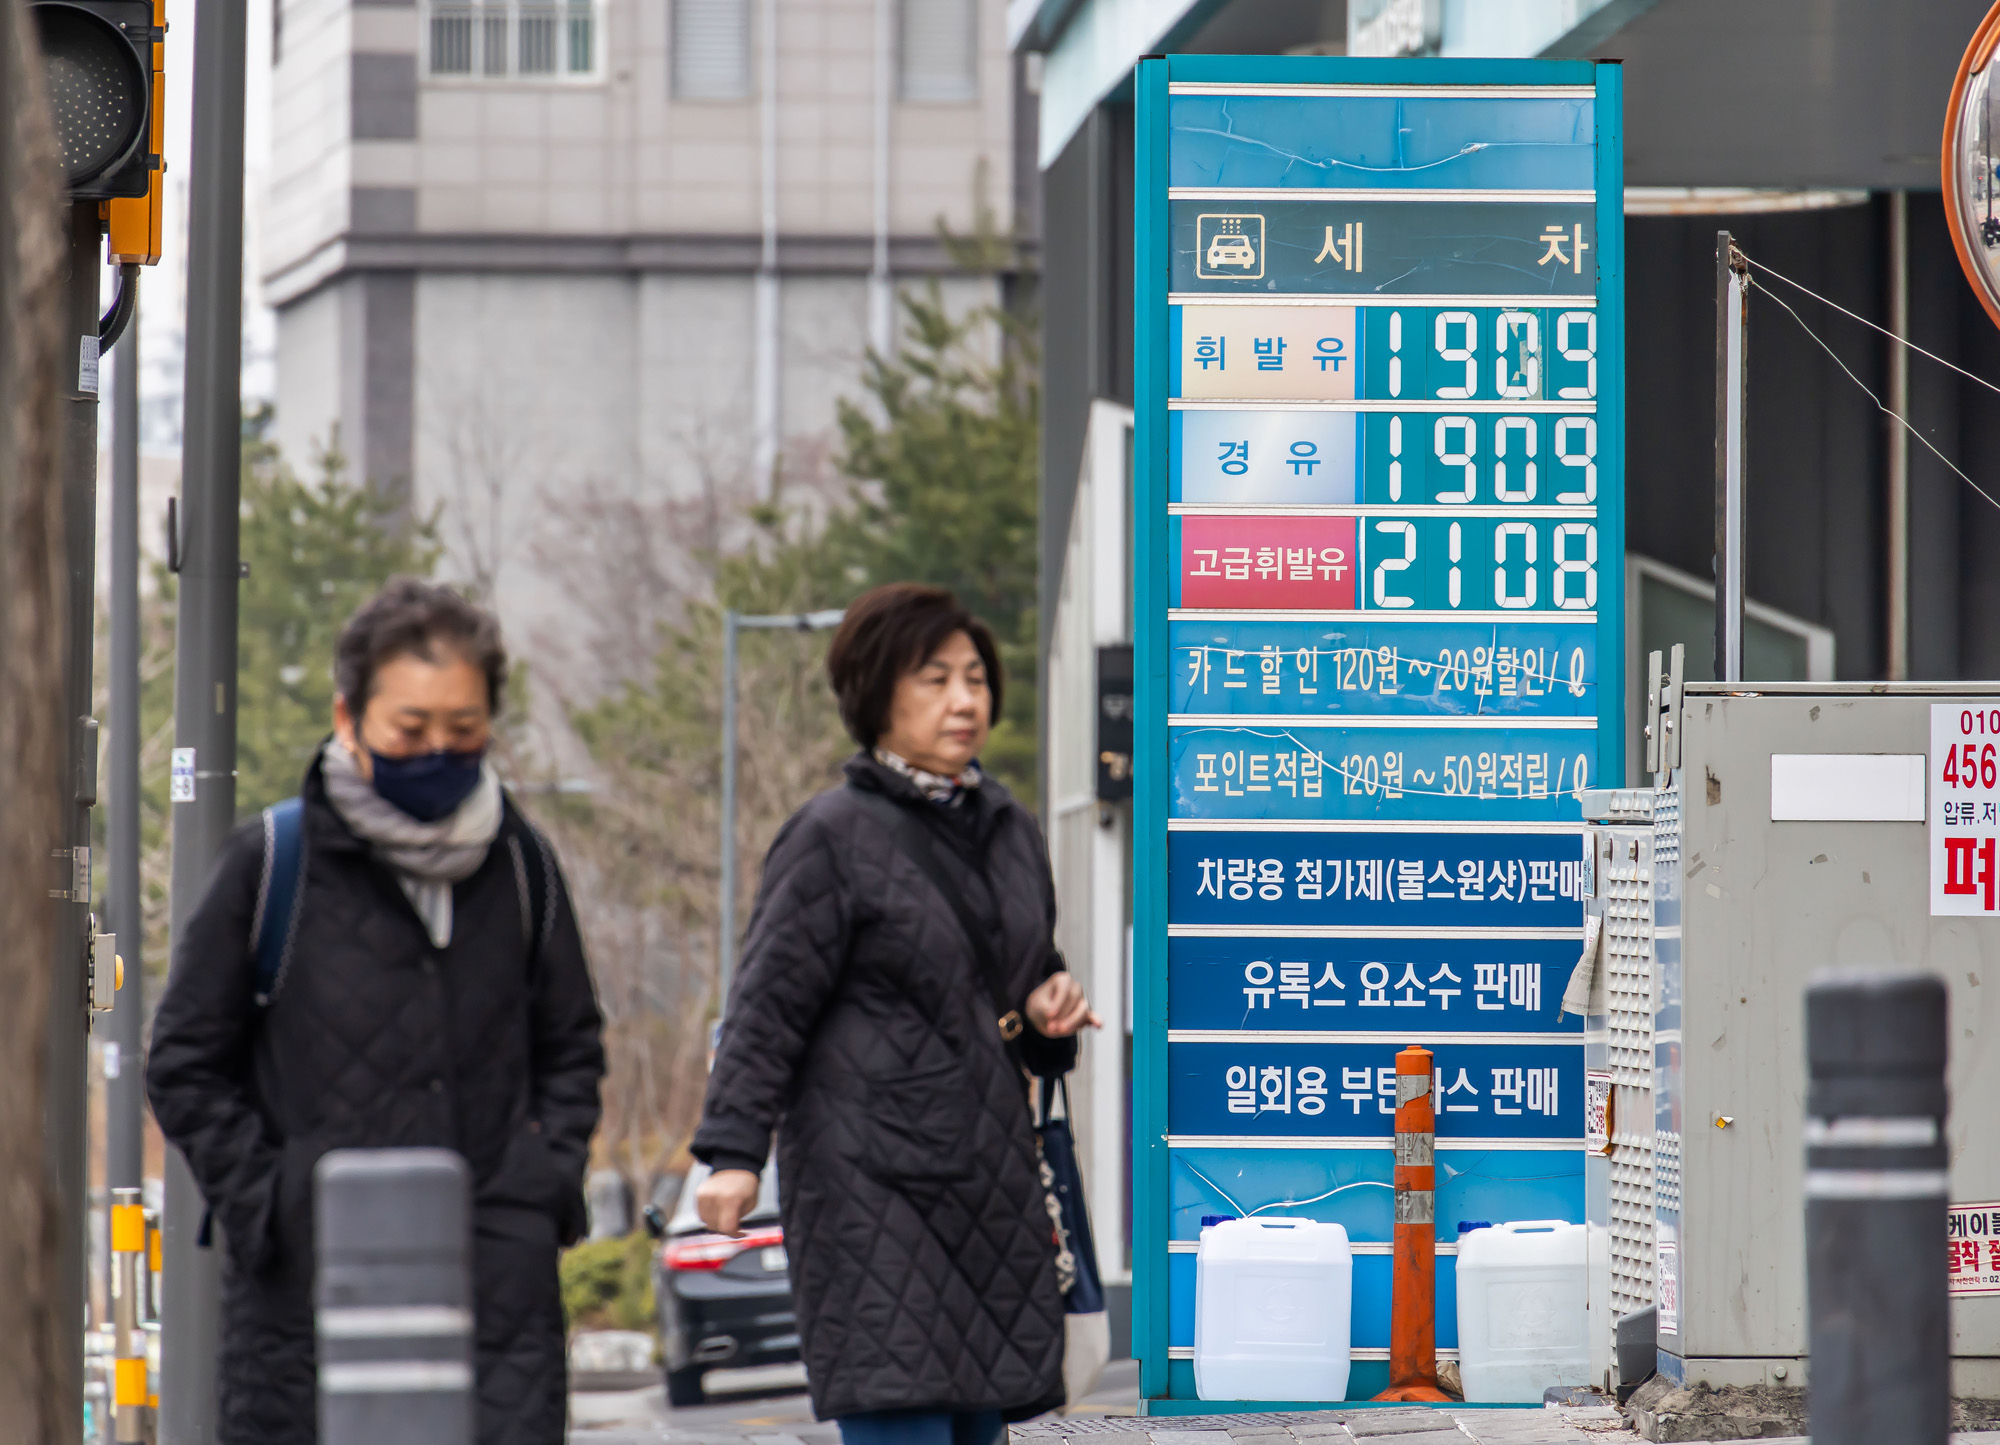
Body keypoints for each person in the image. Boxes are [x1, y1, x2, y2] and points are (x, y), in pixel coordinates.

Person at [147, 577, 606, 1445]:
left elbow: (571, 1044)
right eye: (412, 728)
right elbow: (182, 1060)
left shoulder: (521, 866)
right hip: (308, 1313)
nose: (438, 750)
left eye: (463, 729)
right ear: (350, 716)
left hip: (496, 1308)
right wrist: (276, 1200)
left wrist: (539, 1183)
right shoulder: (271, 864)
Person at [691, 582, 1100, 1445]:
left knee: (979, 1423)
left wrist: (1048, 1011)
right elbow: (766, 1005)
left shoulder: (1011, 829)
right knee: (903, 1411)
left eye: (976, 678)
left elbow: (1024, 985)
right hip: (869, 1186)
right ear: (876, 694)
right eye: (935, 679)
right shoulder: (831, 836)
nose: (965, 699)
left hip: (985, 1182)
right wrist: (731, 1153)